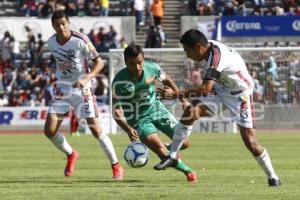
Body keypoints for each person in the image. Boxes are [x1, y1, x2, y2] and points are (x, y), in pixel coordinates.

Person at [153, 29, 281, 187]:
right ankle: (172, 156)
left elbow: (205, 89)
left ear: (198, 46)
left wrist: (176, 94)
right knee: (190, 113)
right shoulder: (208, 50)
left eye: (187, 50)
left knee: (251, 142)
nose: (187, 55)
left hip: (240, 95)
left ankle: (273, 177)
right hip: (221, 90)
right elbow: (207, 87)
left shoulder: (216, 58)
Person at [44, 11, 124, 180]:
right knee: (49, 131)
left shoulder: (80, 40)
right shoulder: (51, 42)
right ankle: (71, 154)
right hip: (62, 88)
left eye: (64, 23)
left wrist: (86, 77)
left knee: (96, 129)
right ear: (53, 26)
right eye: (57, 25)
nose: (61, 27)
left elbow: (100, 62)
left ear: (68, 23)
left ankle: (116, 166)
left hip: (83, 89)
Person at [112, 44, 198, 183]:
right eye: (132, 64)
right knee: (161, 150)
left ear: (144, 60)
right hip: (138, 119)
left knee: (185, 143)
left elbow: (167, 80)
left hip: (157, 109)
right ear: (126, 62)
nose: (137, 67)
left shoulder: (153, 68)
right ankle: (187, 171)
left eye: (140, 62)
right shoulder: (119, 81)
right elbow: (116, 110)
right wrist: (128, 129)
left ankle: (169, 149)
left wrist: (182, 100)